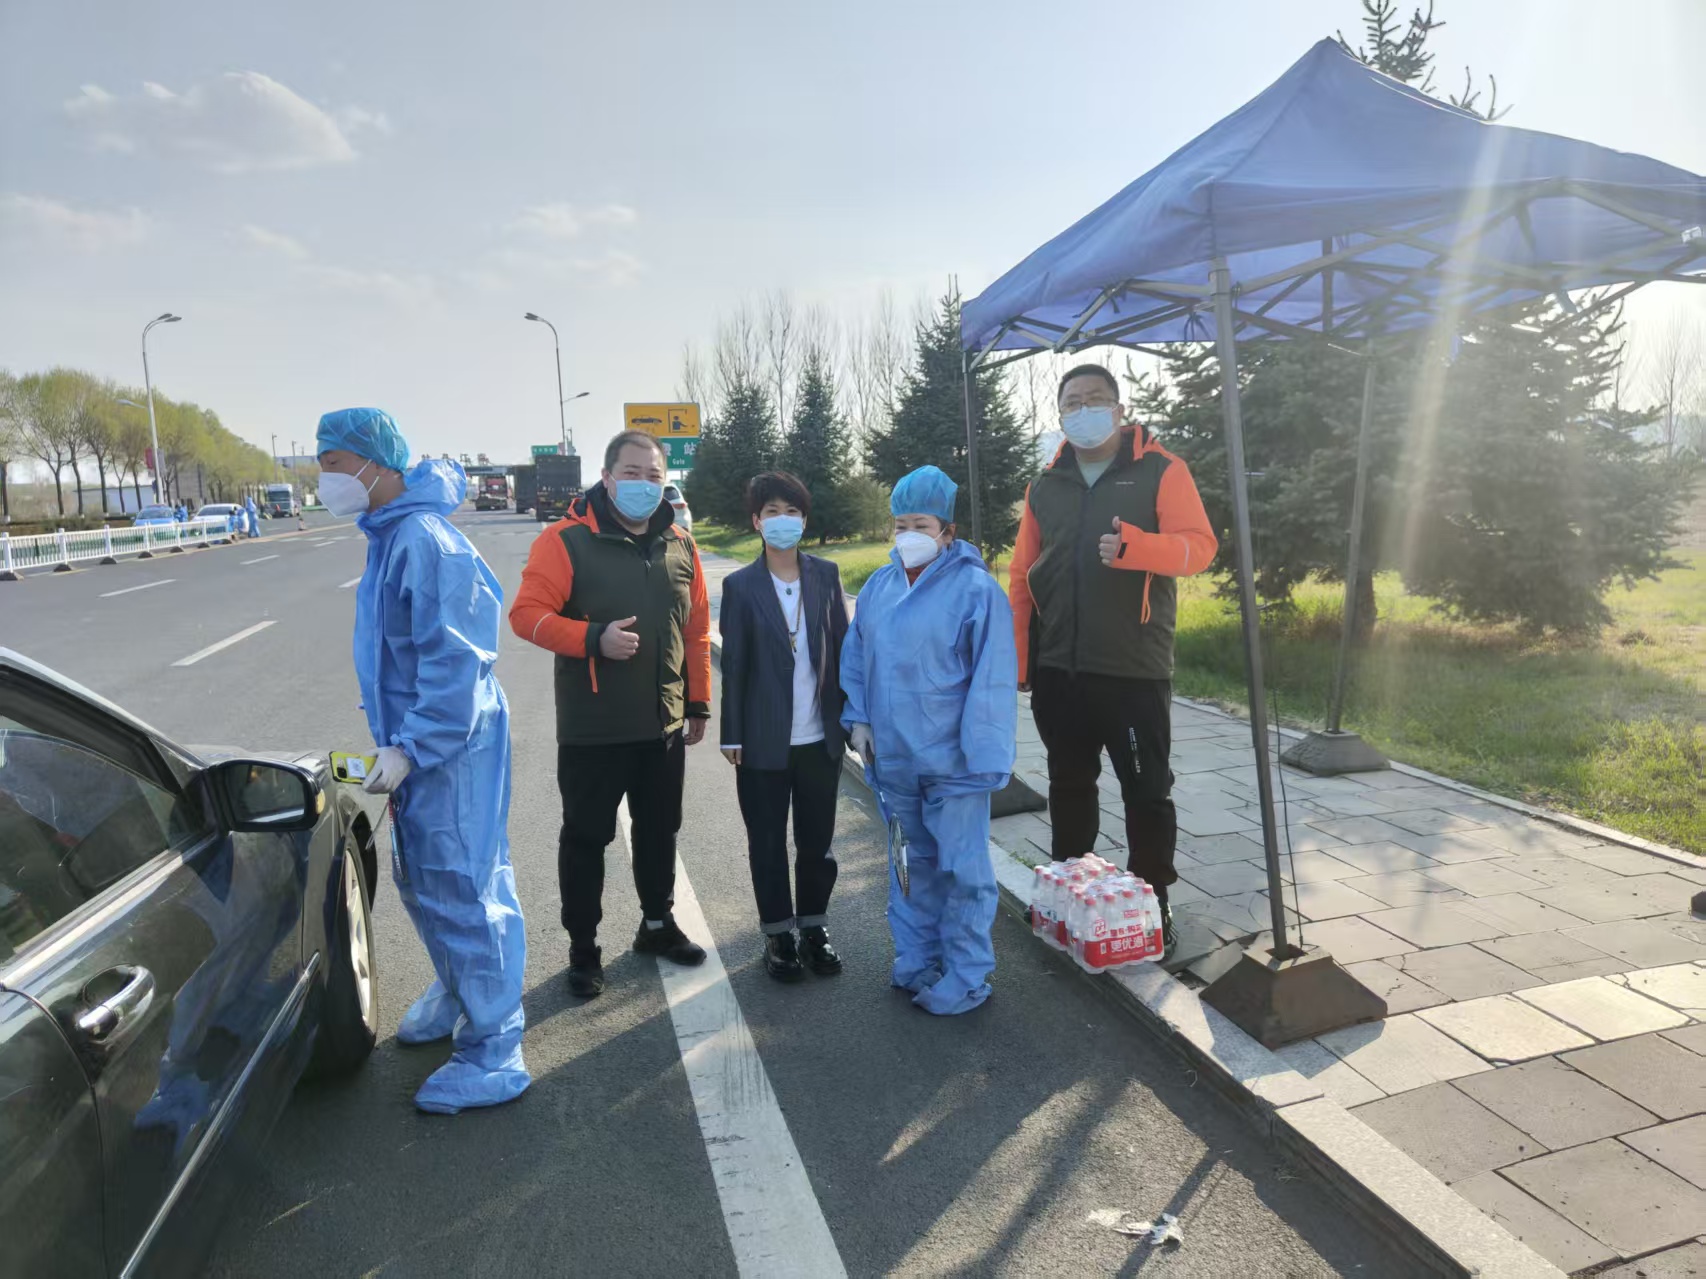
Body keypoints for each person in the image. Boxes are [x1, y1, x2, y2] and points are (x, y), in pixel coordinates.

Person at [316, 407, 530, 1115]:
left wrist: (412, 746)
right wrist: (400, 743)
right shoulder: (390, 536)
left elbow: (455, 663)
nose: (325, 480)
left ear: (374, 463)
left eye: (333, 464)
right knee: (426, 878)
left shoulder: (425, 541)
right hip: (422, 743)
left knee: (464, 884)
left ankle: (496, 1044)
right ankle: (458, 986)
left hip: (452, 746)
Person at [1007, 365, 1218, 954]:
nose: (1084, 410)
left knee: (1146, 792)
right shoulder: (1045, 485)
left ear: (1119, 410)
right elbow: (1022, 574)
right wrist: (1022, 661)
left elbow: (1200, 547)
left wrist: (1139, 548)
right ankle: (1068, 893)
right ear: (1060, 415)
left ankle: (1153, 901)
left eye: (1095, 399)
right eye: (1072, 403)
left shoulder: (1161, 470)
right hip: (1060, 670)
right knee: (1069, 786)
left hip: (1133, 669)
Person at [509, 430, 712, 999]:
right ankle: (583, 950)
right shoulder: (566, 539)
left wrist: (697, 701)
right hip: (593, 729)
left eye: (654, 476)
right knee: (585, 839)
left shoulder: (680, 543)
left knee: (660, 831)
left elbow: (696, 629)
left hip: (662, 725)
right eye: (631, 473)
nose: (644, 484)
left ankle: (657, 925)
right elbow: (526, 615)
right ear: (607, 478)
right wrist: (592, 638)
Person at [841, 465, 1016, 1016]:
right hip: (894, 759)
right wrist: (859, 718)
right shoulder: (880, 586)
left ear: (947, 530)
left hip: (954, 763)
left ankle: (966, 976)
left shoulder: (977, 590)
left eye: (920, 524)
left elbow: (992, 679)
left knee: (963, 873)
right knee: (910, 867)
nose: (908, 534)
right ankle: (917, 959)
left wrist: (983, 758)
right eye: (900, 524)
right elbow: (856, 655)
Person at [718, 472, 850, 982]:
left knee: (817, 842)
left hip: (819, 739)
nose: (783, 520)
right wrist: (732, 734)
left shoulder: (827, 575)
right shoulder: (740, 586)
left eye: (792, 511)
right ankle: (778, 935)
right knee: (768, 843)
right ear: (757, 521)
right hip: (761, 741)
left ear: (804, 520)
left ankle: (814, 928)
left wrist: (852, 719)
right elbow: (734, 666)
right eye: (772, 511)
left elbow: (843, 651)